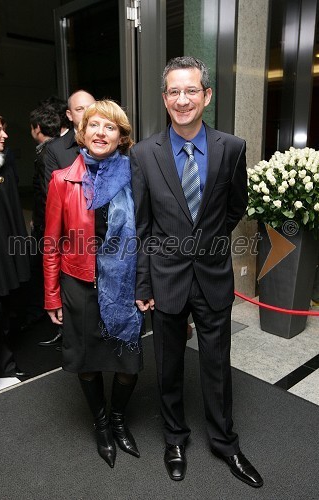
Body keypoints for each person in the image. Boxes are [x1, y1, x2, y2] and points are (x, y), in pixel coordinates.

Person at [130, 56, 263, 487]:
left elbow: (236, 207)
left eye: (191, 90)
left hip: (212, 277)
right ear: (165, 98)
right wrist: (144, 281)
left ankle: (225, 443)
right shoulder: (143, 154)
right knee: (167, 366)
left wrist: (204, 241)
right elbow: (143, 226)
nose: (182, 99)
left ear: (206, 95)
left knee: (217, 365)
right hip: (165, 278)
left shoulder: (232, 147)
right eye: (174, 92)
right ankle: (174, 439)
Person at [43, 99, 143, 468]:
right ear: (83, 134)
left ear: (121, 136)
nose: (101, 133)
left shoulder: (135, 176)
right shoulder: (61, 180)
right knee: (87, 361)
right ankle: (102, 425)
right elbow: (51, 243)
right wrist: (51, 295)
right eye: (95, 126)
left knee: (128, 364)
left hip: (123, 284)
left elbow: (146, 234)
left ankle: (118, 418)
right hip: (79, 284)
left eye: (111, 127)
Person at [38, 89, 95, 347]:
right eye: (80, 109)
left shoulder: (114, 148)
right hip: (74, 256)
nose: (87, 113)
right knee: (81, 347)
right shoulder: (56, 150)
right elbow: (53, 208)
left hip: (108, 257)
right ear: (70, 115)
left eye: (92, 107)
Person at [0, 111, 30, 397]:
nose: (5, 135)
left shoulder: (2, 169)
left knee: (0, 313)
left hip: (0, 256)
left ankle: (4, 365)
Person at [20, 105, 62, 331]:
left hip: (51, 228)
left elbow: (48, 195)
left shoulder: (47, 154)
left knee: (43, 270)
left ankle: (48, 319)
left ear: (37, 128)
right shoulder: (60, 148)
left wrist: (43, 224)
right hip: (50, 225)